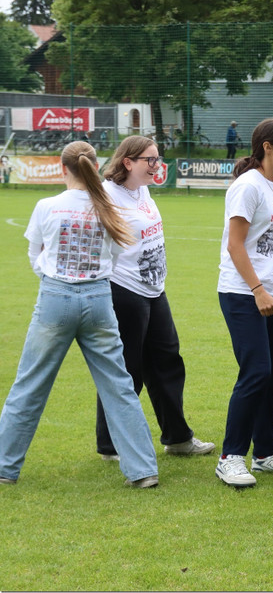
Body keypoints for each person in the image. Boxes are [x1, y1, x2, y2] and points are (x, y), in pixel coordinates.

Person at [0, 141, 159, 488]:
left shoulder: (46, 206)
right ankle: (143, 470)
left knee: (29, 385)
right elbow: (114, 256)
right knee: (119, 387)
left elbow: (35, 254)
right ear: (95, 166)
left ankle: (4, 467)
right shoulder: (108, 207)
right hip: (99, 298)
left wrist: (54, 279)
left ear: (63, 169)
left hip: (54, 298)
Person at [94, 136, 215, 462]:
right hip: (124, 291)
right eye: (150, 159)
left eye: (157, 158)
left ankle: (178, 438)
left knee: (167, 362)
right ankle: (110, 445)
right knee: (126, 368)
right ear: (127, 162)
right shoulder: (106, 195)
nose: (156, 165)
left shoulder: (142, 190)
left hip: (154, 291)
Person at [215, 118, 273, 487]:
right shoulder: (247, 186)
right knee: (256, 372)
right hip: (242, 293)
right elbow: (235, 245)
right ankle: (230, 457)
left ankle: (266, 453)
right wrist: (257, 289)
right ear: (267, 146)